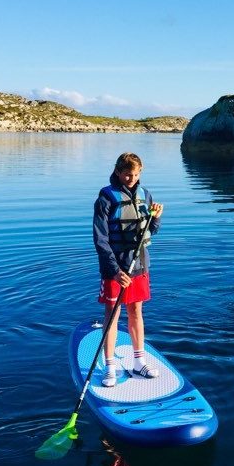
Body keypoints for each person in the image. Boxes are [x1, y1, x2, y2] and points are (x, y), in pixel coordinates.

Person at [93, 152, 163, 387]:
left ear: (140, 172)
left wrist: (156, 220)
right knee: (112, 315)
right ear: (117, 171)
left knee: (136, 312)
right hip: (115, 268)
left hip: (139, 264)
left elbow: (148, 233)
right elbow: (100, 239)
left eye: (135, 174)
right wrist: (114, 270)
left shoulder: (146, 195)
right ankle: (110, 366)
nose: (130, 178)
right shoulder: (105, 198)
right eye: (126, 174)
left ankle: (138, 362)